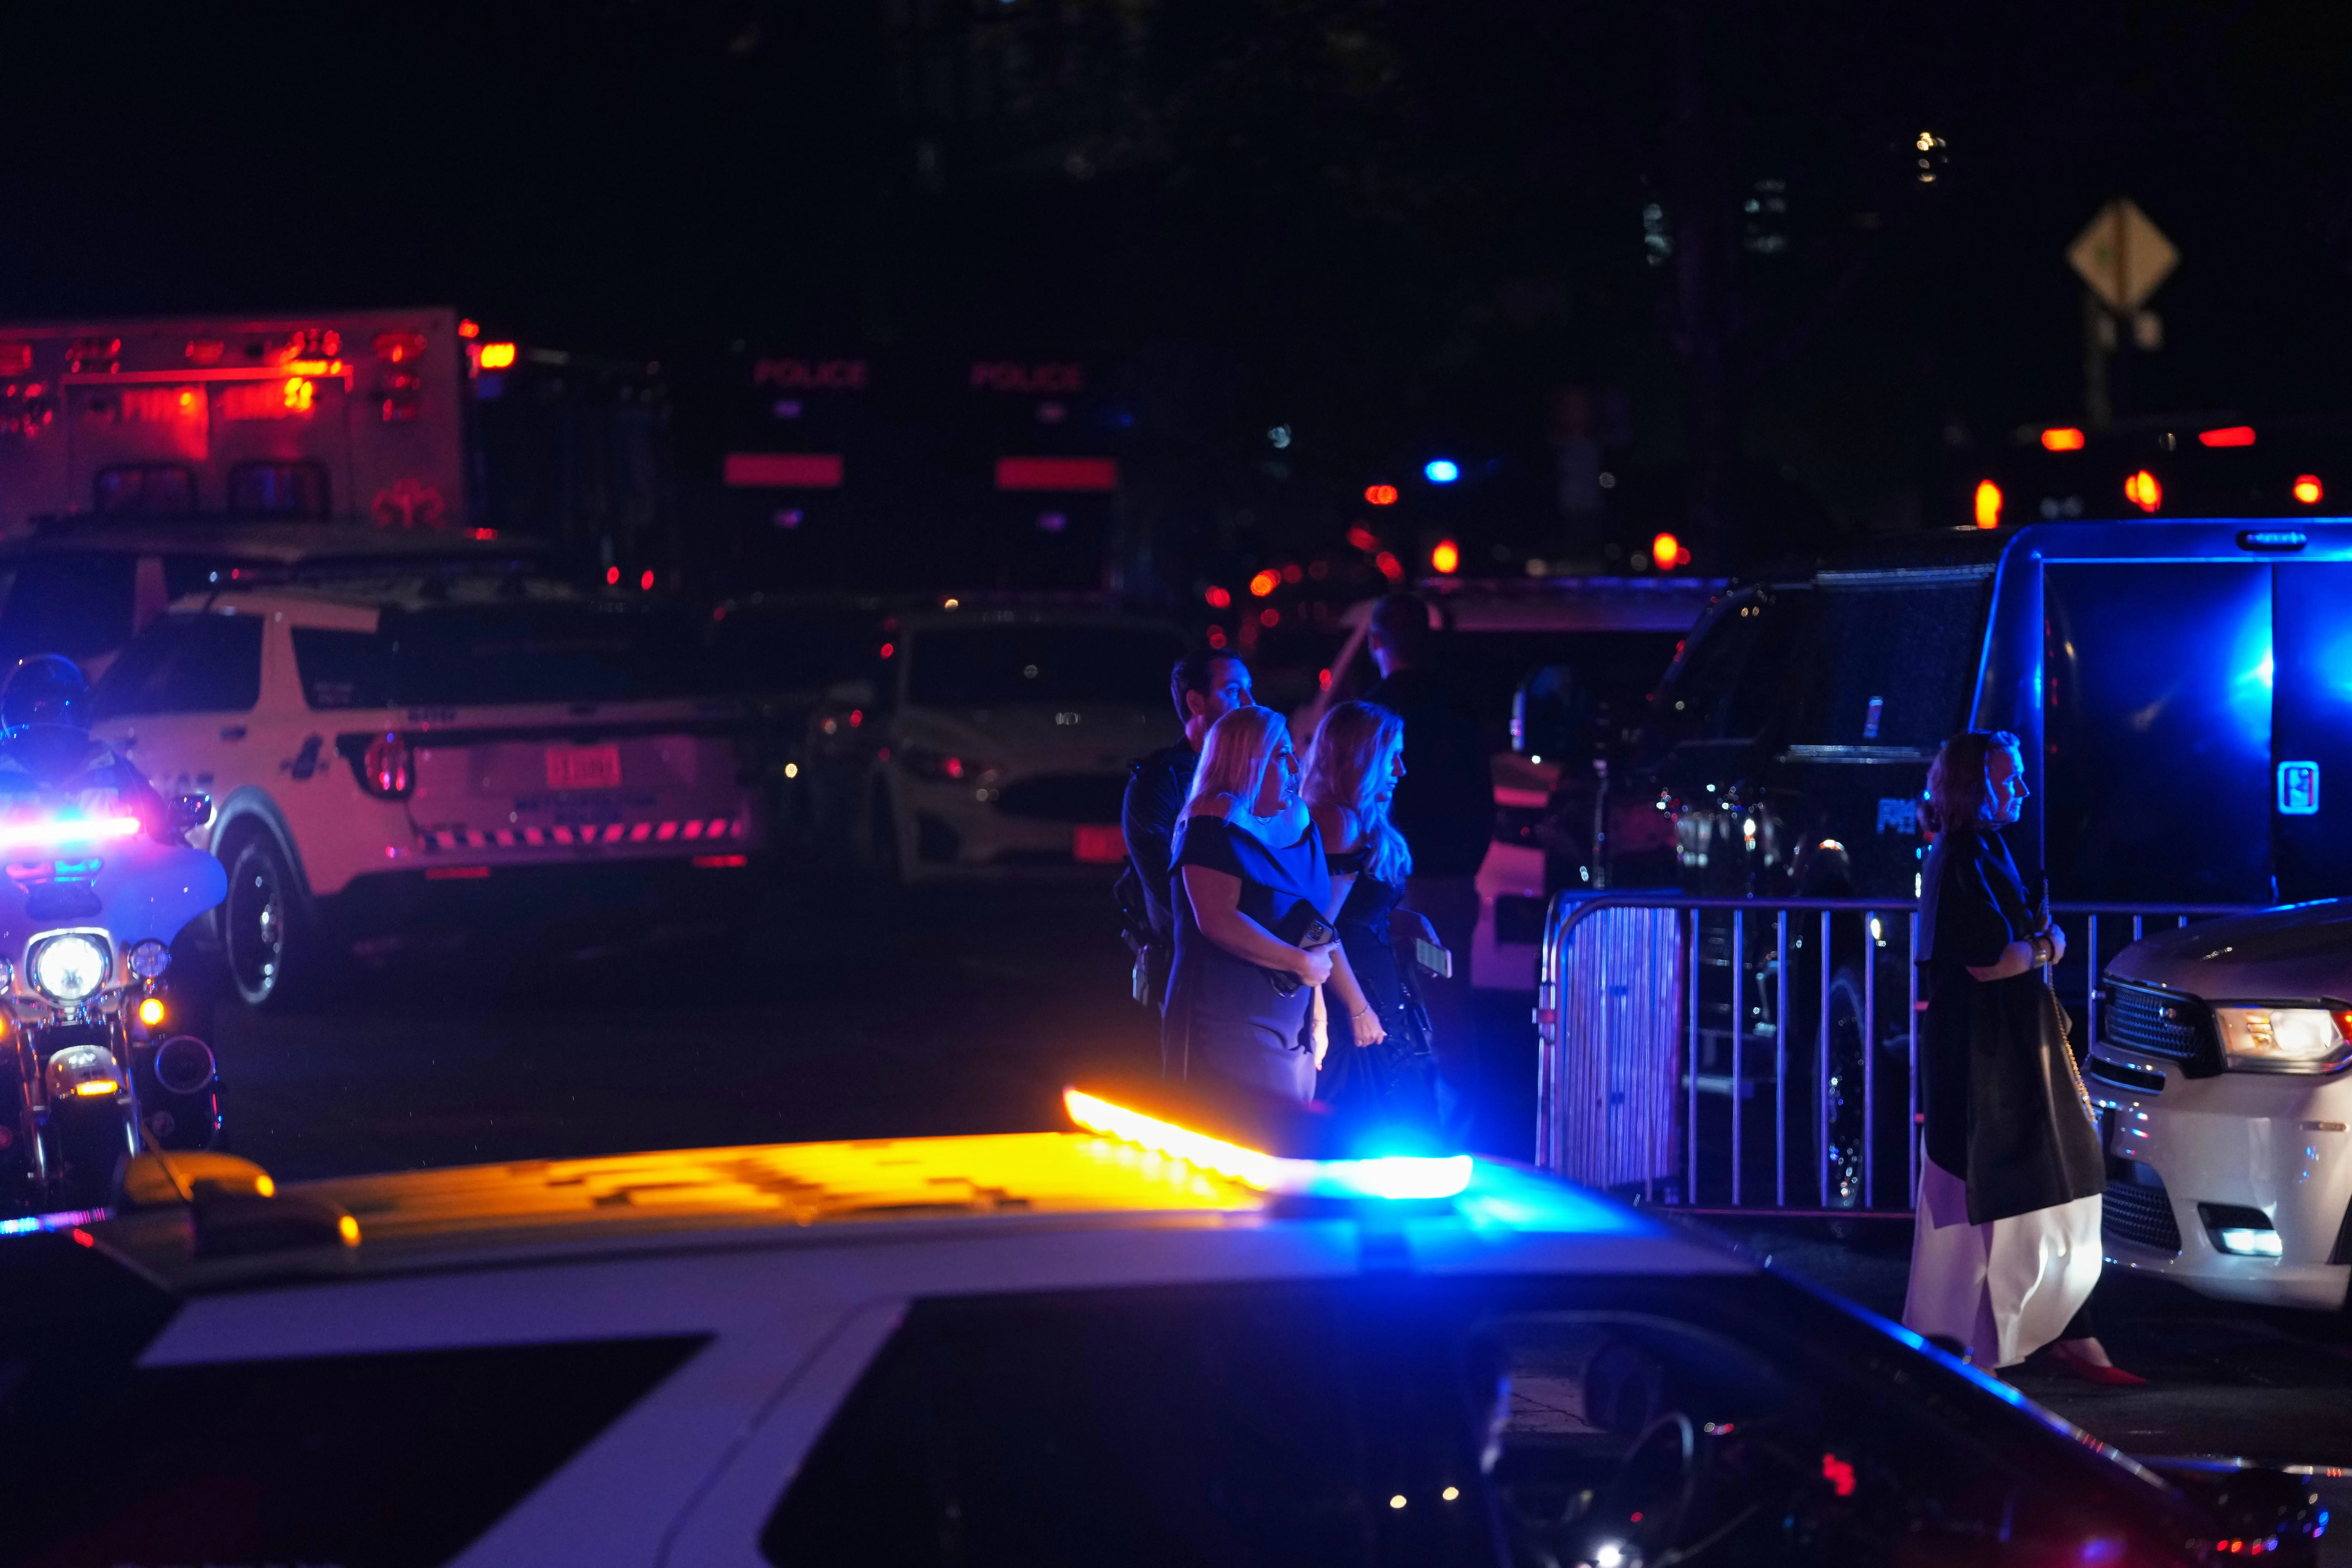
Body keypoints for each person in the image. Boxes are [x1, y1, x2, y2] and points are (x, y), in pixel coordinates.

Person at [1903, 730, 2117, 1378]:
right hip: (1982, 1062)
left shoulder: (1978, 850)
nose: (2022, 787)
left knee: (2032, 1195)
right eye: (2008, 777)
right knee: (1998, 1204)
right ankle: (1974, 1343)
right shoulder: (1960, 857)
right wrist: (2046, 943)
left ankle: (2032, 1333)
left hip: (1999, 1055)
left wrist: (2038, 943)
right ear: (1974, 787)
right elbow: (1991, 961)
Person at [1362, 593, 1492, 1142]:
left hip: (1393, 889)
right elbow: (1482, 799)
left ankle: (1397, 1125)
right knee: (1447, 1007)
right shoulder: (1460, 706)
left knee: (1385, 1007)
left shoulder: (1372, 711)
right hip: (1450, 884)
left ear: (1375, 643)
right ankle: (1458, 1127)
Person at [1162, 706, 1335, 1099]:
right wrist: (1301, 964)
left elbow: (1313, 925)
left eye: (1293, 751)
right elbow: (1217, 920)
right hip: (1229, 1016)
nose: (1295, 765)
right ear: (1245, 760)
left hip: (1294, 1016)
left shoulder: (1300, 816)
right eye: (1280, 754)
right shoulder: (1213, 815)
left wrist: (1319, 1011)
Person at [1303, 700, 1439, 1129]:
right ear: (1361, 757)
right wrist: (1359, 1008)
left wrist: (1410, 920)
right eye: (1391, 756)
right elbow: (1315, 928)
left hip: (1377, 988)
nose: (1400, 769)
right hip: (1356, 995)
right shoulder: (1337, 821)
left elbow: (1357, 911)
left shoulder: (1360, 819)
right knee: (1373, 1121)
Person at [1119, 650, 1254, 1005]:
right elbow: (1168, 887)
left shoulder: (1257, 776)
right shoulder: (1158, 783)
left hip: (1253, 956)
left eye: (1249, 690)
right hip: (1192, 963)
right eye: (1233, 691)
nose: (1249, 703)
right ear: (1196, 701)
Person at [0, 654, 172, 833]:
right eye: (40, 708)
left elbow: (162, 837)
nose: (54, 719)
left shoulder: (113, 770)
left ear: (80, 713)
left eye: (65, 707)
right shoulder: (3, 774)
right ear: (15, 714)